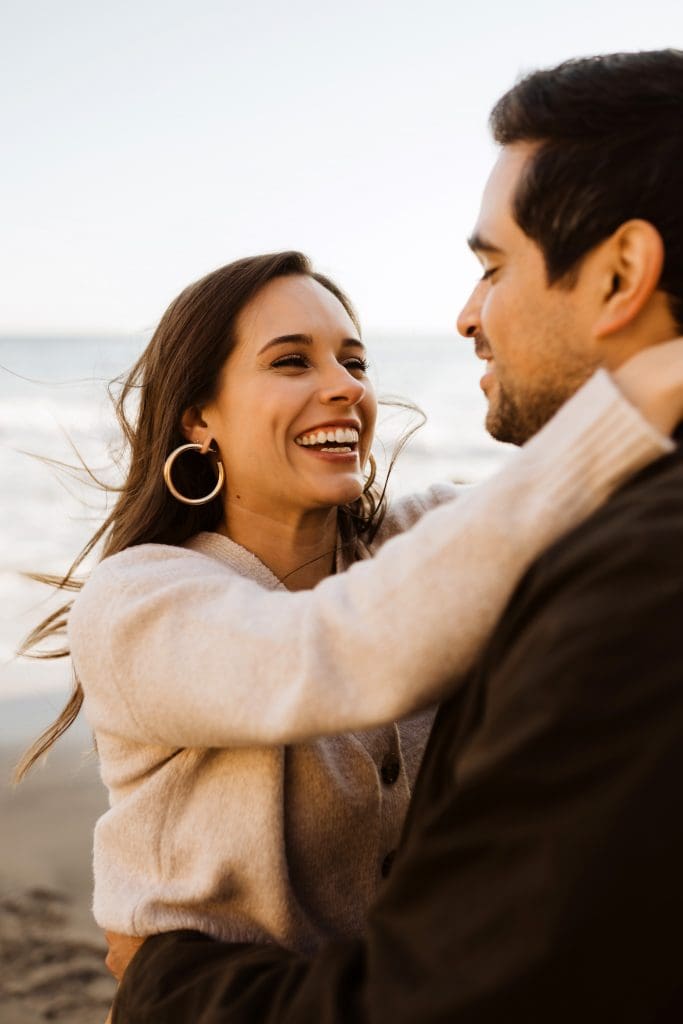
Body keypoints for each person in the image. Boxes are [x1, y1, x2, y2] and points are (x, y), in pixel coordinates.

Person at [106, 49, 683, 1023]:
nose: (344, 387)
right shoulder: (138, 601)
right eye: (291, 360)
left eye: (355, 358)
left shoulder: (419, 537)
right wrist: (622, 400)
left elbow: (529, 512)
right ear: (197, 417)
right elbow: (327, 650)